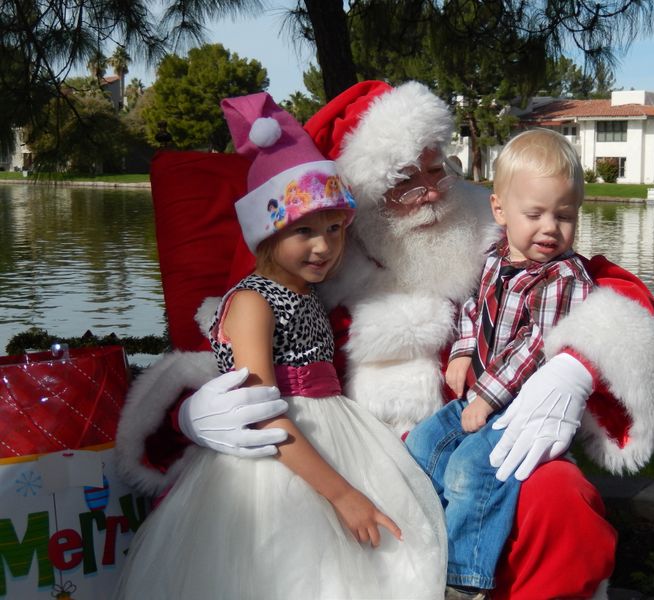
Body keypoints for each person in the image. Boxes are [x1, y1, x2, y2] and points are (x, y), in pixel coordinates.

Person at [116, 81, 654, 600]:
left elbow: (608, 286)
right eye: (405, 182)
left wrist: (573, 366)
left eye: (438, 169)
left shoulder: (498, 225)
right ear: (363, 197)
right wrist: (193, 413)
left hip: (478, 438)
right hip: (354, 457)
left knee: (559, 500)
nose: (431, 194)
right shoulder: (324, 271)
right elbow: (244, 360)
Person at [115, 92, 446, 600]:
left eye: (335, 229)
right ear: (266, 235)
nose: (324, 246)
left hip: (336, 435)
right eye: (304, 231)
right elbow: (261, 410)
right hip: (276, 460)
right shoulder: (252, 303)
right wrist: (343, 494)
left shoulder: (308, 293)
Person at [405, 128, 595, 595]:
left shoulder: (562, 276)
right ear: (500, 211)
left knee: (473, 469)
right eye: (535, 214)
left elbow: (539, 344)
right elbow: (473, 307)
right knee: (422, 444)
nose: (551, 228)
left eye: (564, 216)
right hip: (480, 394)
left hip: (523, 407)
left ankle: (464, 580)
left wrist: (487, 398)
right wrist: (465, 349)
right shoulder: (492, 259)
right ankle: (424, 543)